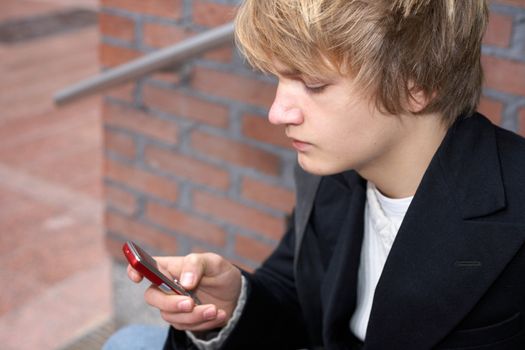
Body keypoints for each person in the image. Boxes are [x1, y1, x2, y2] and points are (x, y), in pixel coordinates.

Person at [117, 0, 525, 349]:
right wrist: (231, 305)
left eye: (312, 84)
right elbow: (296, 294)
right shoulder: (332, 172)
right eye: (278, 79)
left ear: (416, 85)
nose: (277, 113)